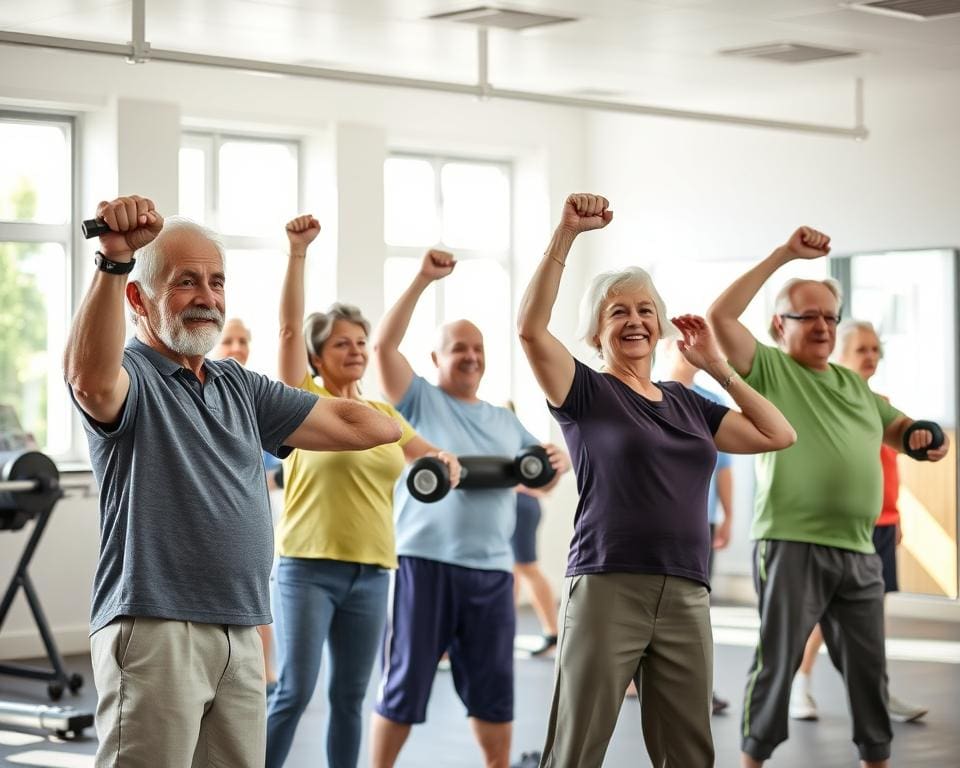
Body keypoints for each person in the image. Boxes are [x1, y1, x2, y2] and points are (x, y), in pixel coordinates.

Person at [63, 195, 403, 768]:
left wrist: (342, 388)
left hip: (242, 629)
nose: (207, 298)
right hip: (155, 625)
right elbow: (90, 382)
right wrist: (114, 258)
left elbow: (364, 425)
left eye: (217, 282)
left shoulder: (239, 386)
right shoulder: (133, 378)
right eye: (185, 282)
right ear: (137, 299)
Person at [517, 193, 796, 768]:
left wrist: (719, 369)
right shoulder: (586, 392)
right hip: (607, 582)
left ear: (661, 324)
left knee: (689, 753)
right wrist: (566, 235)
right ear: (597, 331)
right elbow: (529, 329)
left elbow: (777, 434)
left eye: (645, 310)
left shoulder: (688, 401)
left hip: (687, 590)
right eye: (618, 311)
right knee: (576, 747)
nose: (635, 320)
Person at [706, 226, 951, 768]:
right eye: (807, 316)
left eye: (828, 317)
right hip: (791, 545)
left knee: (870, 672)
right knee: (778, 664)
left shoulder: (855, 386)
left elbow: (903, 429)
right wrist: (783, 255)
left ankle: (876, 759)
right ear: (779, 324)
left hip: (859, 550)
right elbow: (721, 316)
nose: (821, 326)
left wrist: (927, 438)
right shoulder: (770, 369)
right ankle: (753, 760)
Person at [265, 215, 460, 768]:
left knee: (350, 700)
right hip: (307, 567)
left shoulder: (380, 414)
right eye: (341, 343)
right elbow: (285, 330)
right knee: (294, 692)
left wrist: (446, 459)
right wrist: (297, 252)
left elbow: (427, 450)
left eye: (360, 342)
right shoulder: (300, 402)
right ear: (316, 357)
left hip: (373, 571)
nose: (355, 350)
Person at [370, 248, 570, 768]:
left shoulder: (506, 422)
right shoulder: (416, 400)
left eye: (478, 349)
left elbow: (541, 484)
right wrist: (421, 279)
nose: (471, 357)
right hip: (425, 565)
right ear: (436, 359)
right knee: (405, 684)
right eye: (458, 349)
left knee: (492, 689)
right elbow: (383, 345)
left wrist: (557, 460)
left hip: (491, 574)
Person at [789, 320, 928, 724]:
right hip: (842, 528)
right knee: (822, 612)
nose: (871, 357)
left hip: (882, 525)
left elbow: (886, 471)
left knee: (871, 617)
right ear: (840, 355)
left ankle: (878, 693)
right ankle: (802, 682)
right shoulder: (828, 404)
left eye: (875, 349)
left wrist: (895, 516)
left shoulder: (882, 405)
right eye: (861, 350)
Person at [211, 316, 282, 693]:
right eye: (229, 341)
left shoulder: (257, 396)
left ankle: (264, 673)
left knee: (258, 601)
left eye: (243, 340)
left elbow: (273, 470)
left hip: (255, 519)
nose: (237, 348)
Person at [665, 339, 735, 716]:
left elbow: (724, 468)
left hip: (699, 522)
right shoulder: (647, 395)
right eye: (679, 347)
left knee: (695, 606)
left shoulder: (711, 403)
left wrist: (728, 515)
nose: (687, 354)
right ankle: (631, 679)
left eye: (692, 348)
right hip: (657, 522)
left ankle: (697, 688)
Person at [505, 401, 559, 658]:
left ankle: (553, 632)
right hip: (518, 507)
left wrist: (525, 488)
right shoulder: (511, 442)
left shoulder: (517, 440)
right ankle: (505, 630)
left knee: (527, 567)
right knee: (513, 570)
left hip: (523, 508)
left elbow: (550, 468)